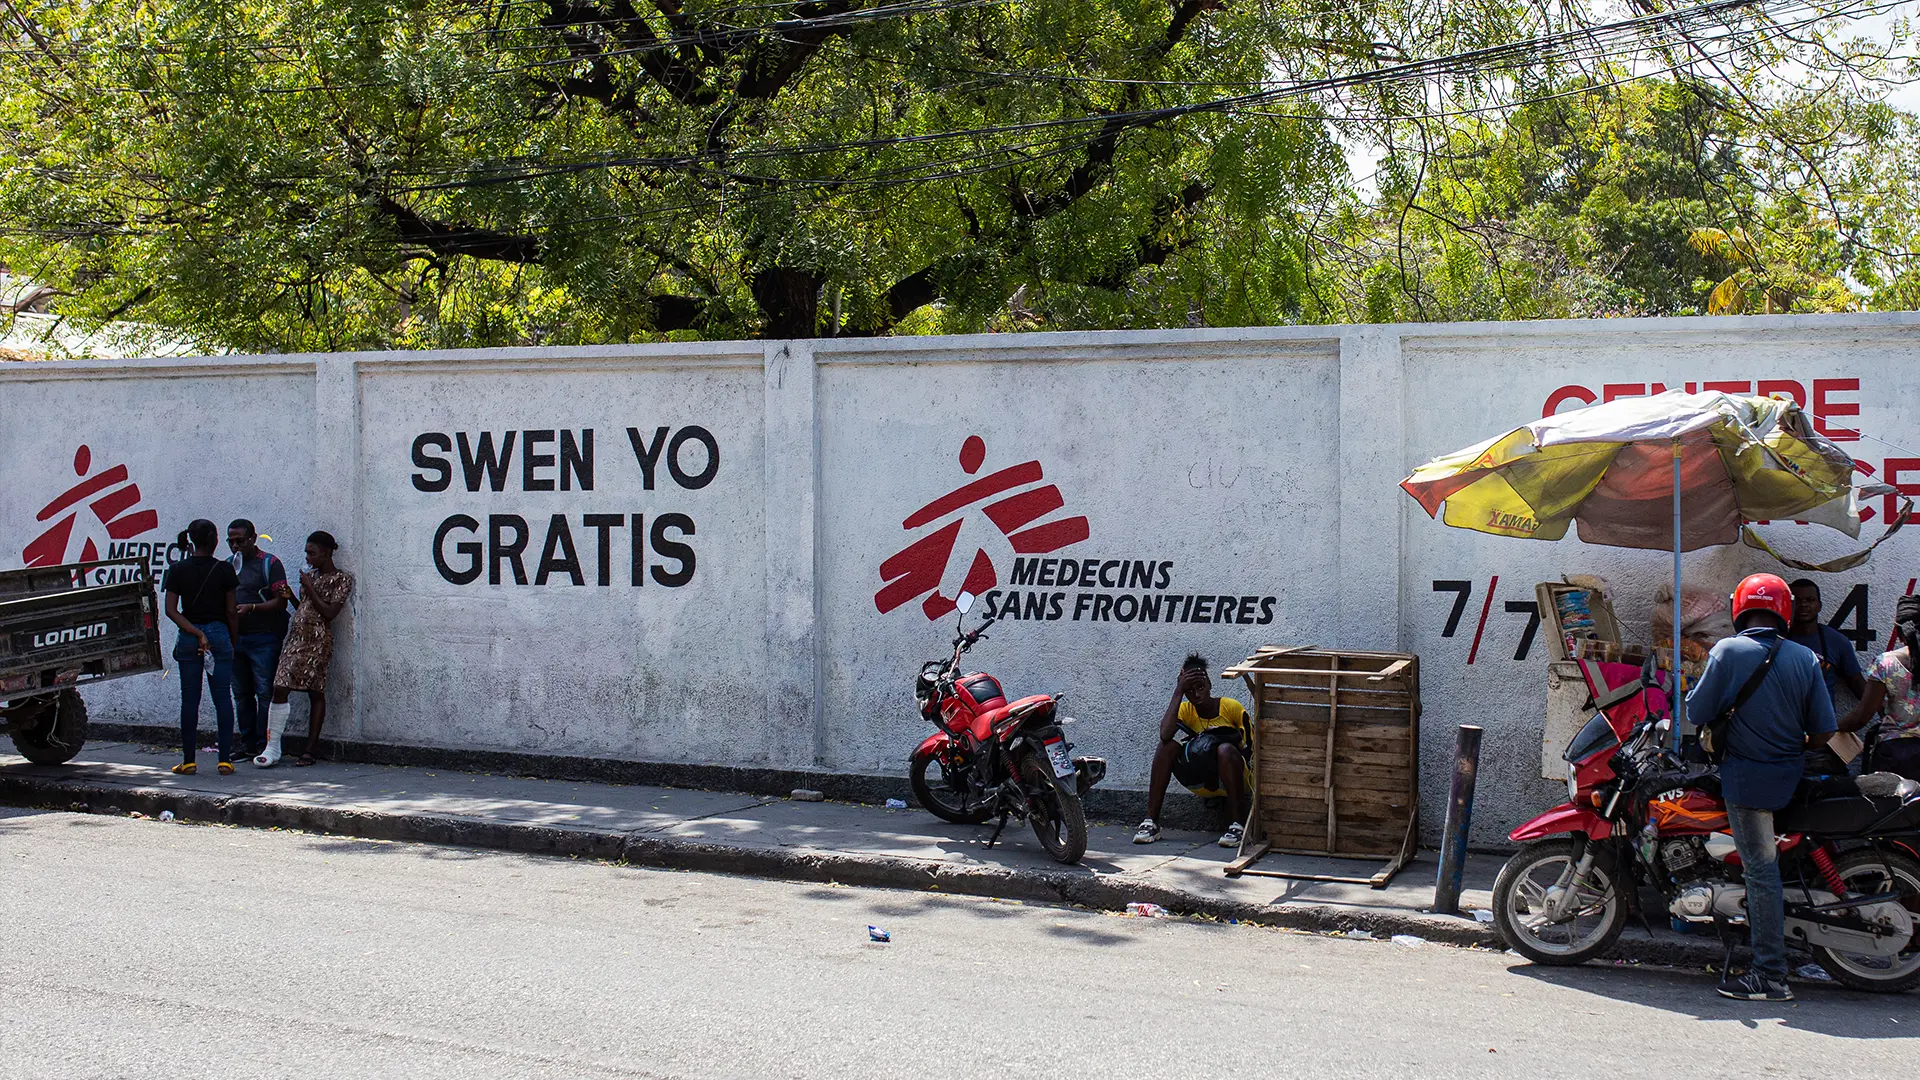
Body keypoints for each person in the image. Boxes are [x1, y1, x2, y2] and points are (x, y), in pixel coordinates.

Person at [1685, 572, 1845, 1002]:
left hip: (1747, 781)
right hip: (1791, 777)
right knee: (1765, 867)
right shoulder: (1804, 658)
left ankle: (1770, 976)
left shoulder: (1728, 650)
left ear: (1740, 609)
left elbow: (1697, 710)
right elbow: (1824, 731)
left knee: (1760, 871)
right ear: (1785, 611)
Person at [255, 532, 353, 768]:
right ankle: (273, 746)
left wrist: (310, 588)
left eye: (313, 553)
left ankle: (310, 750)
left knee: (315, 691)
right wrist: (291, 598)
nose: (308, 558)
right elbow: (305, 609)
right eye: (306, 553)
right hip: (296, 638)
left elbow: (329, 613)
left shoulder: (340, 579)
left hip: (317, 641)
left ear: (327, 553)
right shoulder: (311, 576)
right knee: (280, 686)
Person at [1133, 654, 1250, 849]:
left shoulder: (1231, 707)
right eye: (1190, 690)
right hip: (1201, 780)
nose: (1197, 695)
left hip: (1235, 778)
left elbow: (1251, 750)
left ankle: (1237, 825)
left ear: (1210, 684)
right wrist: (1178, 691)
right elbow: (1164, 734)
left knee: (1225, 749)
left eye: (1201, 687)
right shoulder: (1185, 710)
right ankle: (1151, 822)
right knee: (1167, 746)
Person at [161, 519, 240, 775]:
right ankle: (225, 760)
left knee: (190, 700)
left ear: (191, 540)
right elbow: (230, 611)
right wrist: (232, 640)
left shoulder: (177, 570)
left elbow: (171, 610)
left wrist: (194, 631)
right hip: (218, 634)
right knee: (223, 699)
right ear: (215, 540)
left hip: (188, 635)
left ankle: (189, 761)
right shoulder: (225, 570)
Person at [1787, 578, 1868, 776]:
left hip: (1822, 739)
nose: (1804, 605)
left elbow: (1857, 684)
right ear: (1787, 604)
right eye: (1797, 600)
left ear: (1819, 605)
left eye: (1810, 600)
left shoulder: (1835, 641)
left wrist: (1886, 712)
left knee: (1827, 798)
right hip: (1784, 736)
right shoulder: (1777, 640)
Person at [226, 519, 289, 759]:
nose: (235, 546)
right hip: (236, 638)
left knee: (265, 693)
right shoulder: (228, 566)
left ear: (253, 538)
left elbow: (281, 601)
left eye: (240, 541)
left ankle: (266, 745)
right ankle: (247, 743)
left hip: (264, 637)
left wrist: (252, 607)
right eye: (231, 542)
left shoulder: (270, 563)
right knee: (241, 694)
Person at [1840, 594, 1920, 778]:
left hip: (1895, 757)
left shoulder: (1886, 663)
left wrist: (1828, 729)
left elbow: (1860, 718)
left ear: (1898, 631)